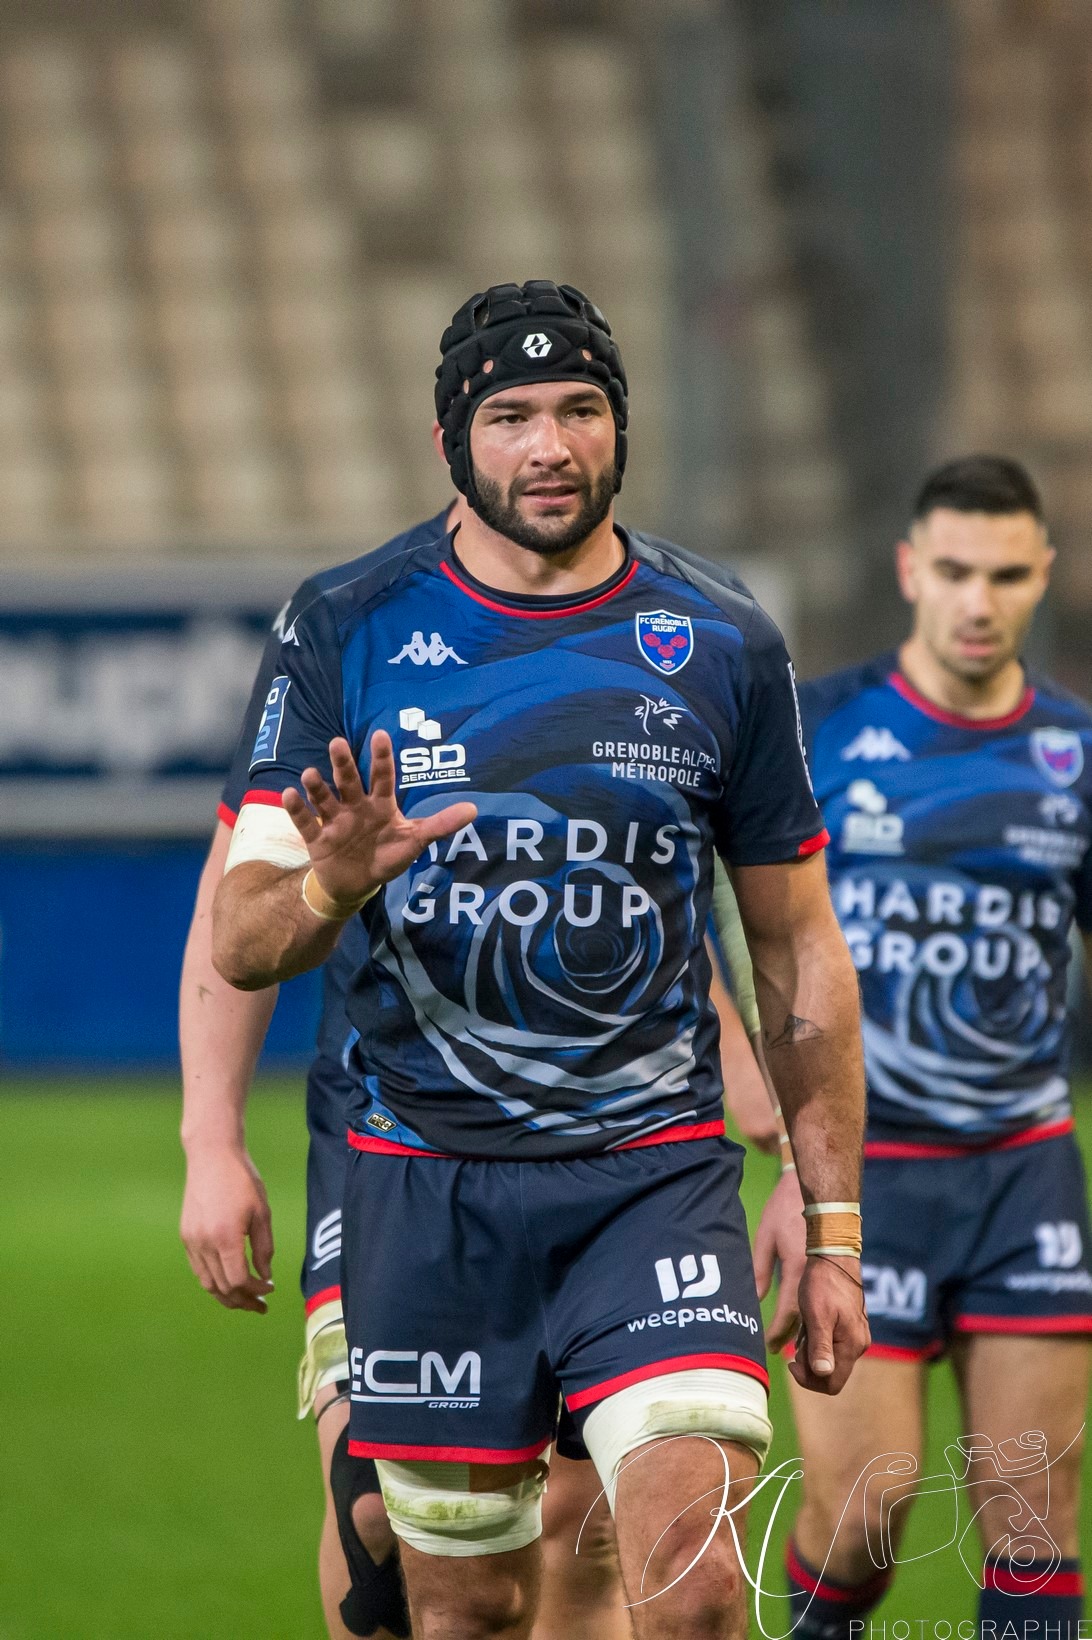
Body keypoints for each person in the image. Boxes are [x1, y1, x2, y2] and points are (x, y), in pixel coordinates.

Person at [210, 278, 869, 1640]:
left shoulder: (721, 638)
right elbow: (240, 935)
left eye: (579, 409)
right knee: (464, 1612)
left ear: (620, 425)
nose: (551, 446)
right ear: (456, 440)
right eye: (510, 416)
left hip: (652, 1175)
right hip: (424, 1185)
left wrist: (833, 1218)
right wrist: (329, 885)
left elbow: (795, 947)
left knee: (689, 1593)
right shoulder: (351, 624)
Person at [783, 455, 1092, 1636]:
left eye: (1007, 574)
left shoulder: (1073, 754)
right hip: (867, 1179)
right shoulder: (824, 727)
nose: (980, 600)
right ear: (912, 569)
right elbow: (741, 922)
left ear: (1041, 578)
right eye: (956, 570)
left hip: (1026, 1169)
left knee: (1035, 1514)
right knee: (866, 1507)